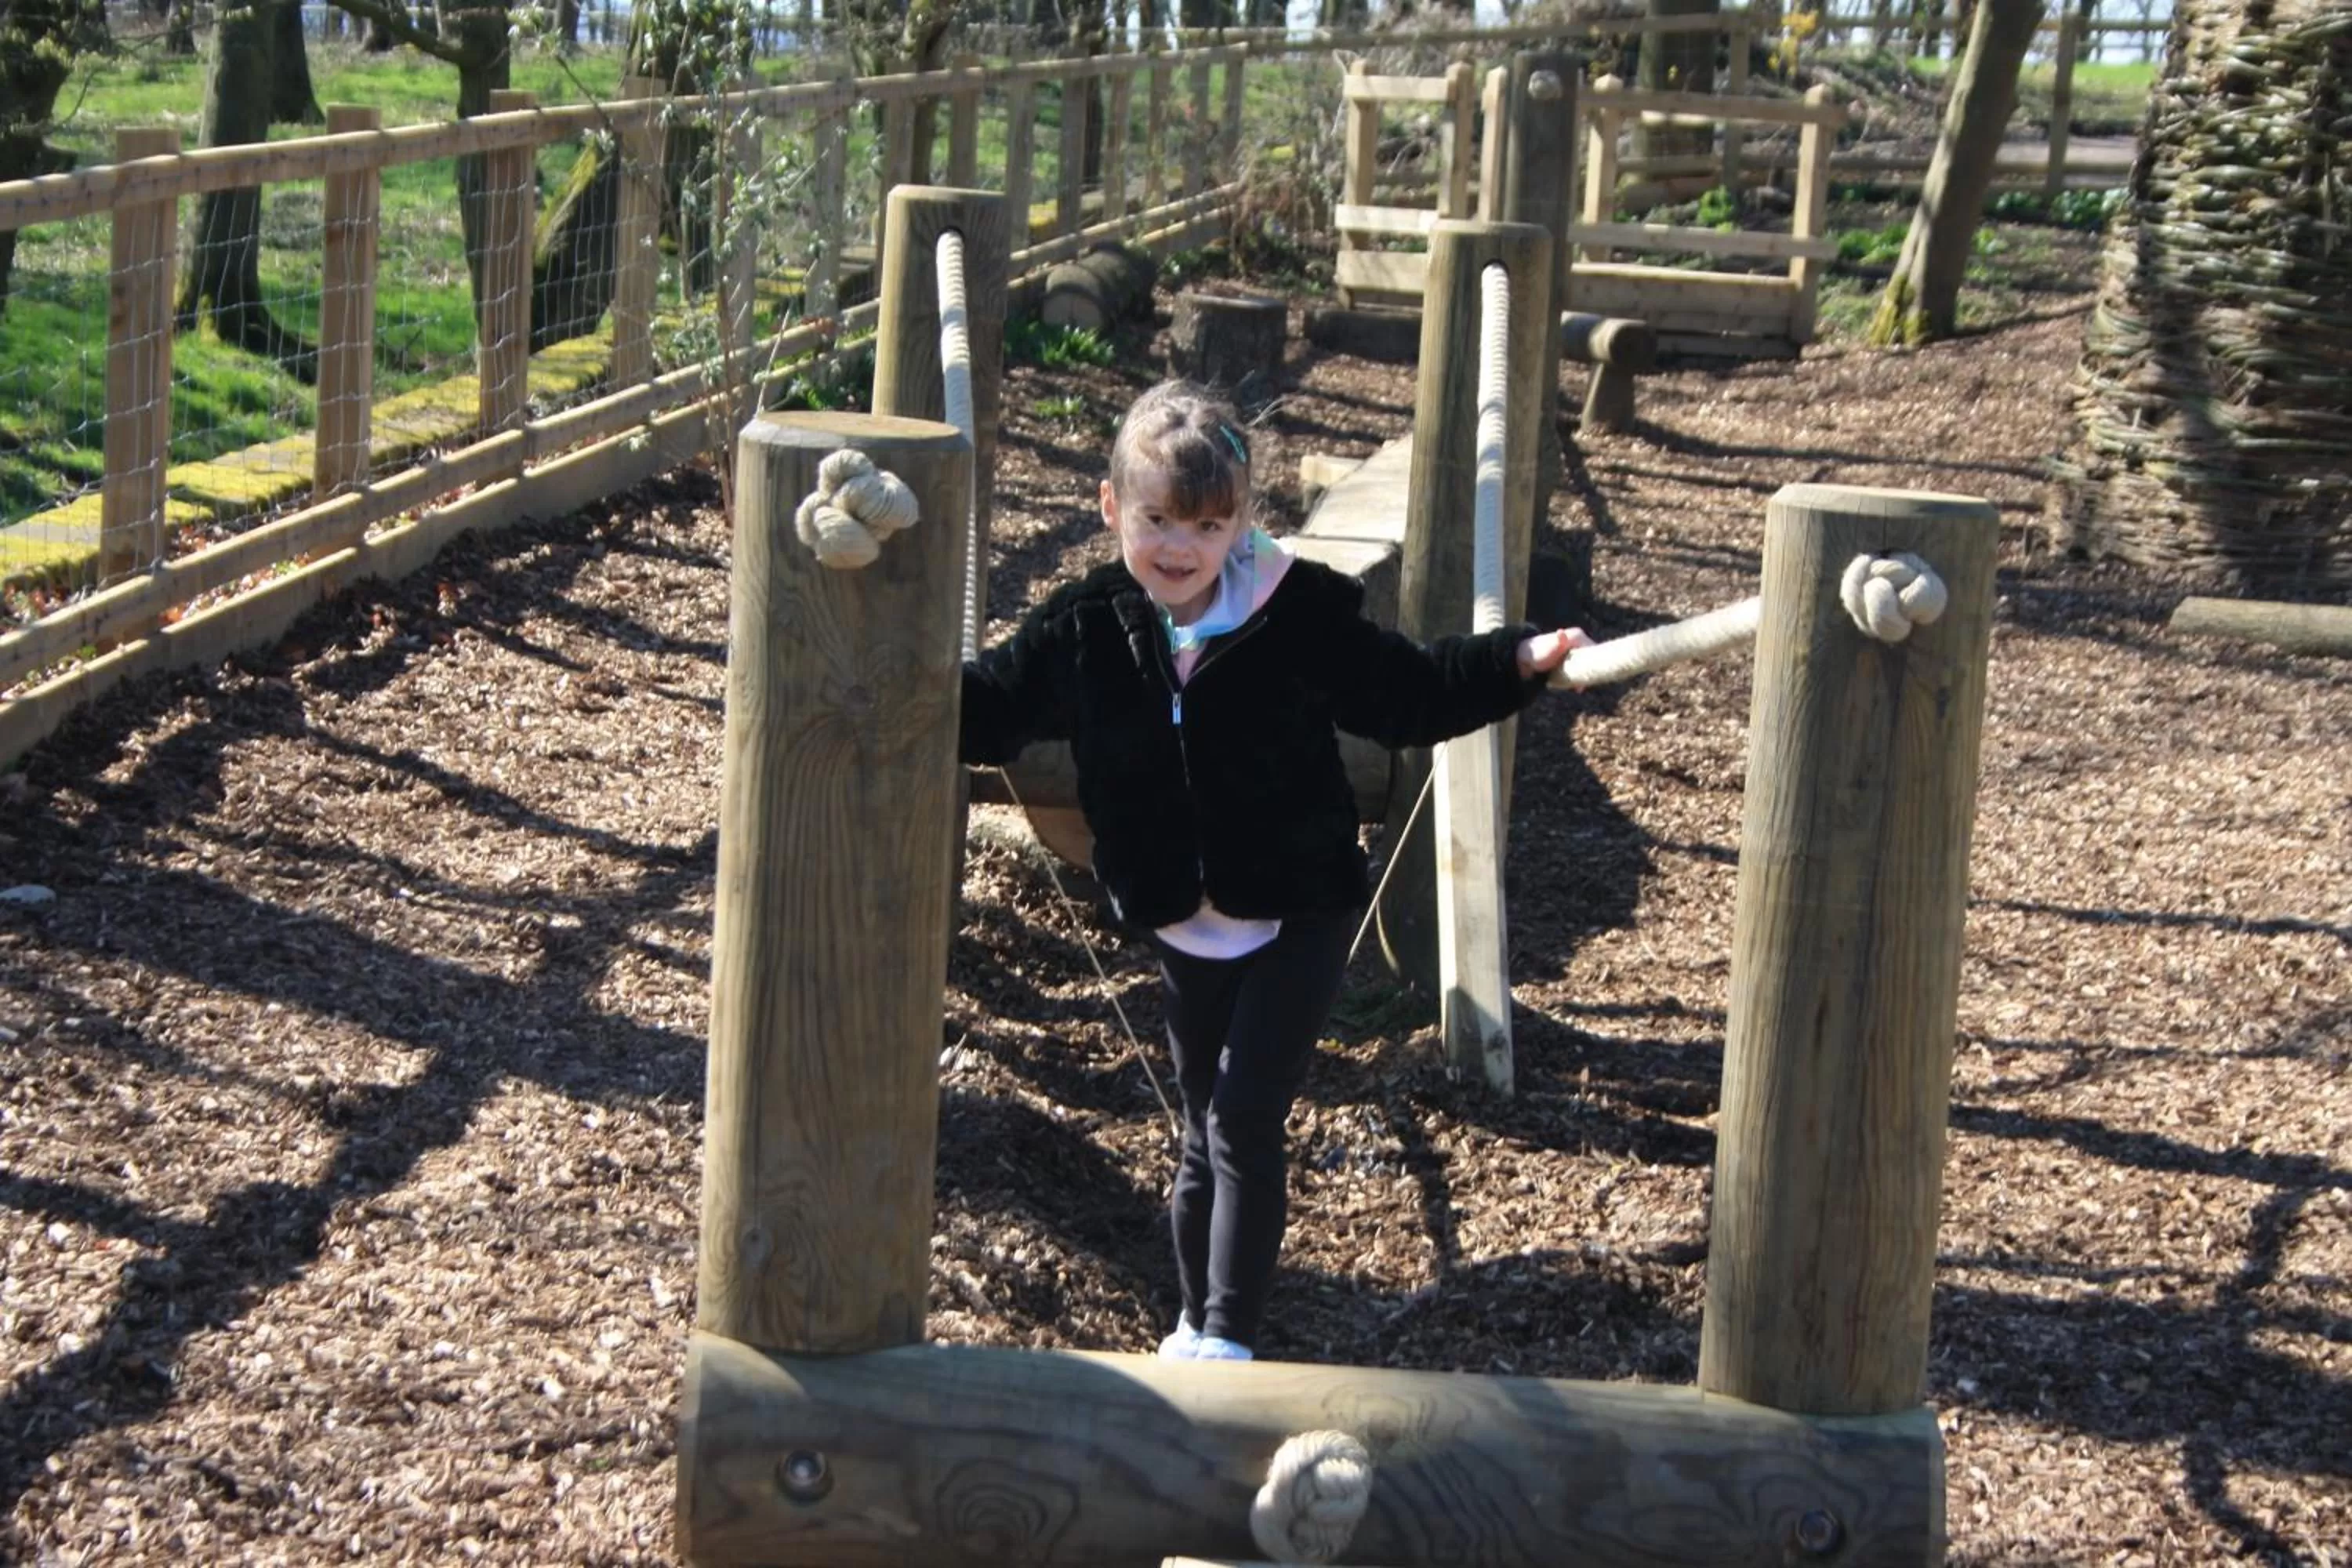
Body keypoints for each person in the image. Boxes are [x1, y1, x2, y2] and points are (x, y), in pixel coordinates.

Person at [960, 379, 1590, 1363]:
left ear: (1243, 520)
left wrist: (1515, 661)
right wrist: (886, 663)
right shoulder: (1087, 626)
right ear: (1111, 506)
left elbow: (1407, 691)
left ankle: (1230, 1336)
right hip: (1182, 915)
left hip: (1299, 906)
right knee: (1197, 1125)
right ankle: (1191, 1319)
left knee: (1243, 1113)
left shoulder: (1296, 613)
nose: (1180, 547)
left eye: (1208, 526)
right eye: (1158, 520)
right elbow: (993, 709)